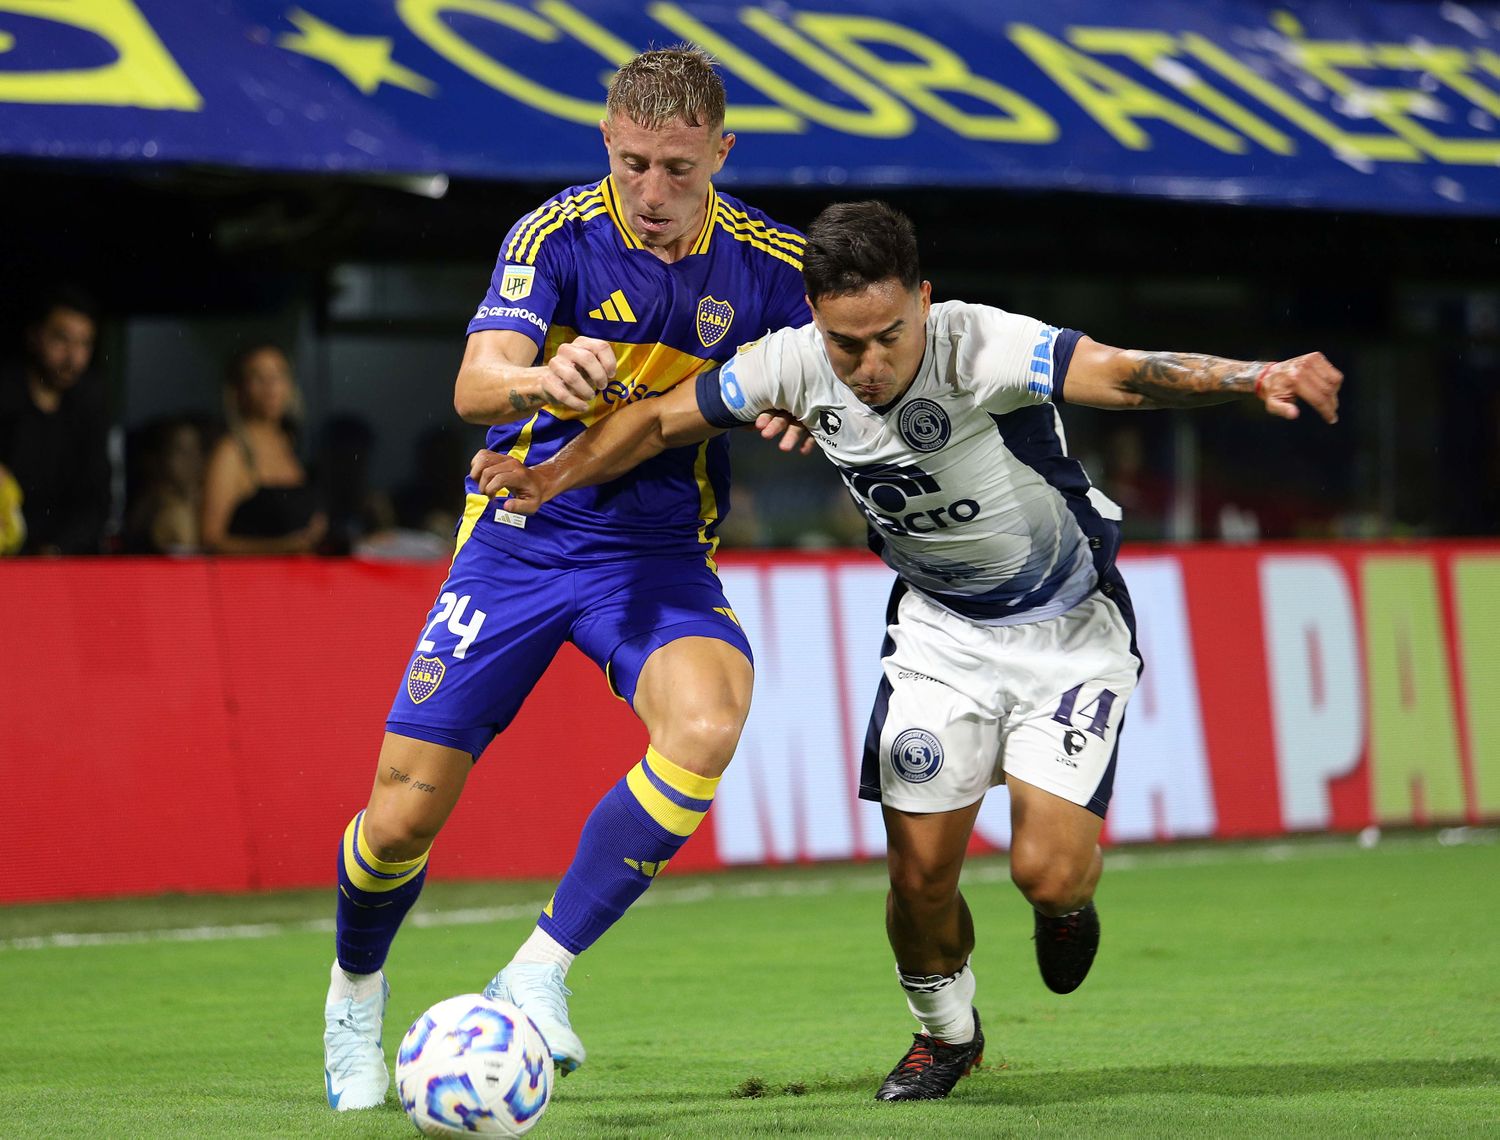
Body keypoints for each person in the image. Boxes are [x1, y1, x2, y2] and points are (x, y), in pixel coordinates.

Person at [471, 200, 1344, 1102]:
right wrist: (546, 475)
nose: (871, 365)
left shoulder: (982, 347)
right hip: (938, 636)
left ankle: (1067, 906)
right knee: (920, 878)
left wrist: (1253, 377)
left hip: (1069, 628)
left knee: (1046, 874)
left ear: (924, 300)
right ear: (814, 321)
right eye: (847, 345)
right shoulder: (791, 364)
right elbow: (656, 422)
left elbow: (1123, 376)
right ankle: (947, 1034)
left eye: (890, 335)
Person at [321, 45, 812, 1111]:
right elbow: (473, 382)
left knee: (710, 721)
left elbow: (849, 366)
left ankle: (538, 971)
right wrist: (537, 375)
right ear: (606, 141)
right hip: (520, 537)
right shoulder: (555, 237)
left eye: (679, 168)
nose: (652, 194)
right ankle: (355, 991)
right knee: (401, 819)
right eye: (633, 163)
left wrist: (809, 406)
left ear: (722, 152)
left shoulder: (774, 265)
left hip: (658, 550)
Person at [0, 288, 110, 555]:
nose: (73, 357)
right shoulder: (5, 394)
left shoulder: (89, 406)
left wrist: (58, 549)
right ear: (34, 336)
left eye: (84, 344)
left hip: (61, 561)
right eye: (61, 339)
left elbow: (96, 502)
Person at [201, 343, 325, 554]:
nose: (271, 387)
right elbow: (210, 539)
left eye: (278, 375)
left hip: (303, 580)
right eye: (258, 377)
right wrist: (282, 547)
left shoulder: (292, 445)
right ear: (239, 389)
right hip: (256, 582)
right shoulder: (232, 452)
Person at [123, 416, 204, 555]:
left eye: (197, 449)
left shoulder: (194, 501)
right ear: (156, 458)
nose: (192, 460)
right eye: (181, 451)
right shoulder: (165, 510)